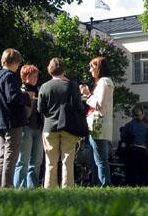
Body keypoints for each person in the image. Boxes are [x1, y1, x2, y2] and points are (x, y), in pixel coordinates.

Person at [0, 48, 31, 188]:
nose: (18, 67)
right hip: (12, 119)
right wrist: (26, 96)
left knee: (2, 154)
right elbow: (13, 97)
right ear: (14, 62)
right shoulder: (9, 76)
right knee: (11, 154)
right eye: (18, 64)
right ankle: (7, 186)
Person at [38, 58, 83, 188]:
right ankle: (67, 187)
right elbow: (79, 107)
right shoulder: (72, 85)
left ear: (49, 70)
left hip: (49, 126)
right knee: (67, 160)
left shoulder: (45, 86)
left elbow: (40, 109)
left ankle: (49, 187)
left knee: (50, 161)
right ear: (64, 70)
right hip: (69, 126)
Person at [81, 57, 114, 187]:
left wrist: (87, 95)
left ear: (99, 67)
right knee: (96, 158)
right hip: (97, 125)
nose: (90, 70)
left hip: (98, 125)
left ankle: (104, 184)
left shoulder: (104, 82)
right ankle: (97, 183)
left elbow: (100, 104)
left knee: (100, 158)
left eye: (92, 67)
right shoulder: (104, 82)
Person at [14, 65, 44, 188]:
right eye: (32, 76)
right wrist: (29, 99)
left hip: (39, 128)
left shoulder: (40, 89)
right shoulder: (20, 90)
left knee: (36, 161)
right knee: (23, 160)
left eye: (36, 75)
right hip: (25, 128)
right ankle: (20, 188)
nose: (35, 78)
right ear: (25, 77)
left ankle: (32, 188)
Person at [119, 105, 148, 186]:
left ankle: (132, 185)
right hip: (143, 150)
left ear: (132, 115)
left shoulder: (128, 125)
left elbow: (123, 137)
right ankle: (143, 185)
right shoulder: (145, 126)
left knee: (131, 171)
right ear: (142, 114)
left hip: (132, 150)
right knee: (142, 170)